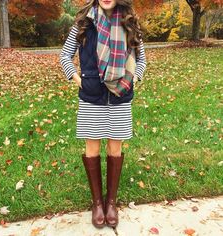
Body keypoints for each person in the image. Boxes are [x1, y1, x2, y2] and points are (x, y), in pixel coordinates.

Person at [60, 0, 146, 229]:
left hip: (120, 97)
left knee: (115, 149)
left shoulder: (130, 23)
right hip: (91, 97)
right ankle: (97, 203)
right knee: (92, 149)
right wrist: (79, 81)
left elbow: (141, 61)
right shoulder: (83, 24)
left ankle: (111, 203)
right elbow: (64, 57)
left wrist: (133, 79)